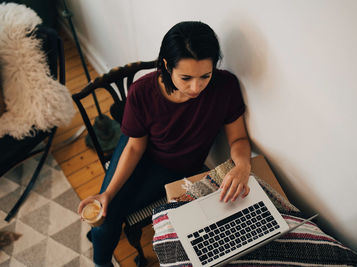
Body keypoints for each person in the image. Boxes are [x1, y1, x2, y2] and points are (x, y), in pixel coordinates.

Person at [78, 21, 251, 267]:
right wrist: (107, 193)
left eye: (205, 76)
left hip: (177, 167)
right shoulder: (141, 92)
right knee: (106, 219)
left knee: (114, 217)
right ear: (167, 66)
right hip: (140, 148)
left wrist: (243, 164)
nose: (196, 87)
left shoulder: (225, 86)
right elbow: (135, 147)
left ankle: (104, 231)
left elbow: (239, 138)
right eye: (186, 78)